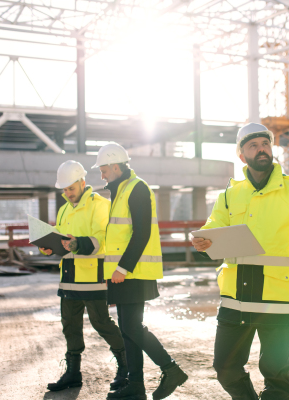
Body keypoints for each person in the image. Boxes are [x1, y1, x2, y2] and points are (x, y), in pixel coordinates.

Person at [191, 123, 289, 400]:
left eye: (265, 143)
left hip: (276, 295)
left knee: (276, 373)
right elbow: (213, 230)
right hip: (235, 295)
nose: (261, 149)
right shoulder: (229, 195)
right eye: (253, 145)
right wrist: (204, 242)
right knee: (225, 368)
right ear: (241, 155)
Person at [94, 143, 188, 400]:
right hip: (123, 273)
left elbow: (142, 232)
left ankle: (171, 370)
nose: (101, 175)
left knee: (132, 327)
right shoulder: (121, 190)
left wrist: (123, 268)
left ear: (116, 166)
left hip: (133, 271)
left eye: (103, 169)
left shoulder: (136, 188)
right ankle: (136, 386)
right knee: (128, 329)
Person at [39, 160, 127, 392]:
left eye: (71, 188)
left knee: (101, 323)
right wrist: (48, 247)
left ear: (82, 182)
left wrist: (77, 243)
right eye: (64, 189)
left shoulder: (99, 205)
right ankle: (72, 373)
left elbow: (103, 239)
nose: (67, 193)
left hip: (92, 276)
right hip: (68, 276)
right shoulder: (64, 209)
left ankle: (126, 366)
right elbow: (61, 240)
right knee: (69, 325)